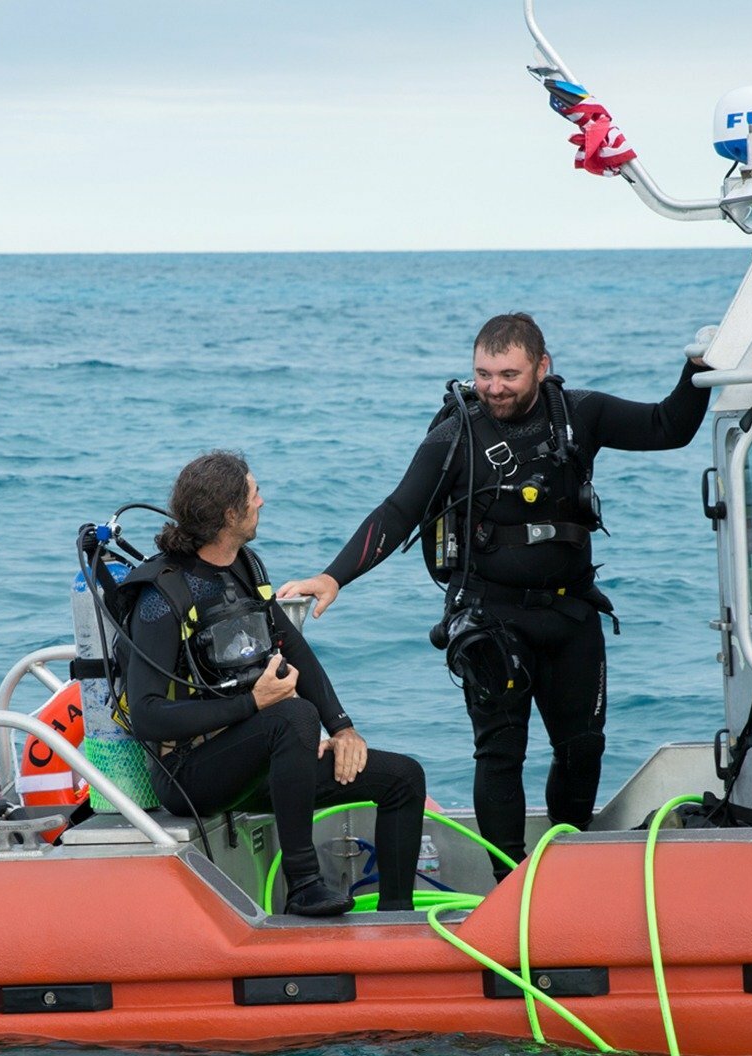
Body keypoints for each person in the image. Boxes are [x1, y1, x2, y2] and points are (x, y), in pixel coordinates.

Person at [279, 313, 711, 876]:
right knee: (501, 755)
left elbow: (666, 427)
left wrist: (698, 366)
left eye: (508, 374)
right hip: (492, 621)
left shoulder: (581, 414)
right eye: (483, 374)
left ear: (542, 366)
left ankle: (565, 860)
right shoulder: (455, 435)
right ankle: (510, 881)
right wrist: (335, 575)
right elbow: (397, 510)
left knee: (583, 749)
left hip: (571, 611)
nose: (494, 387)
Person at [122, 450, 427, 916]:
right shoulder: (163, 597)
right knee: (292, 715)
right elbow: (146, 716)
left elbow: (293, 646)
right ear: (230, 514)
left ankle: (397, 923)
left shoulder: (245, 566)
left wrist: (343, 727)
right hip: (190, 775)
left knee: (403, 779)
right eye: (254, 494)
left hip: (262, 757)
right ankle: (304, 884)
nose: (262, 501)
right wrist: (254, 704)